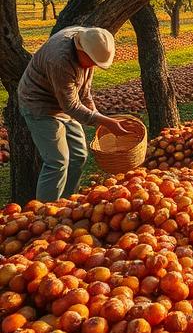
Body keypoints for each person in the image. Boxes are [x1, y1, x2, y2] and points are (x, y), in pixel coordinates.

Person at [18, 26, 137, 201]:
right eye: (92, 61)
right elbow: (71, 106)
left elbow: (84, 93)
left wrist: (98, 117)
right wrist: (106, 121)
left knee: (79, 155)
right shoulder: (59, 60)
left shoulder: (90, 41)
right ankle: (45, 213)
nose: (93, 66)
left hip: (64, 102)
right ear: (80, 49)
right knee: (57, 161)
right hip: (39, 104)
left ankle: (67, 201)